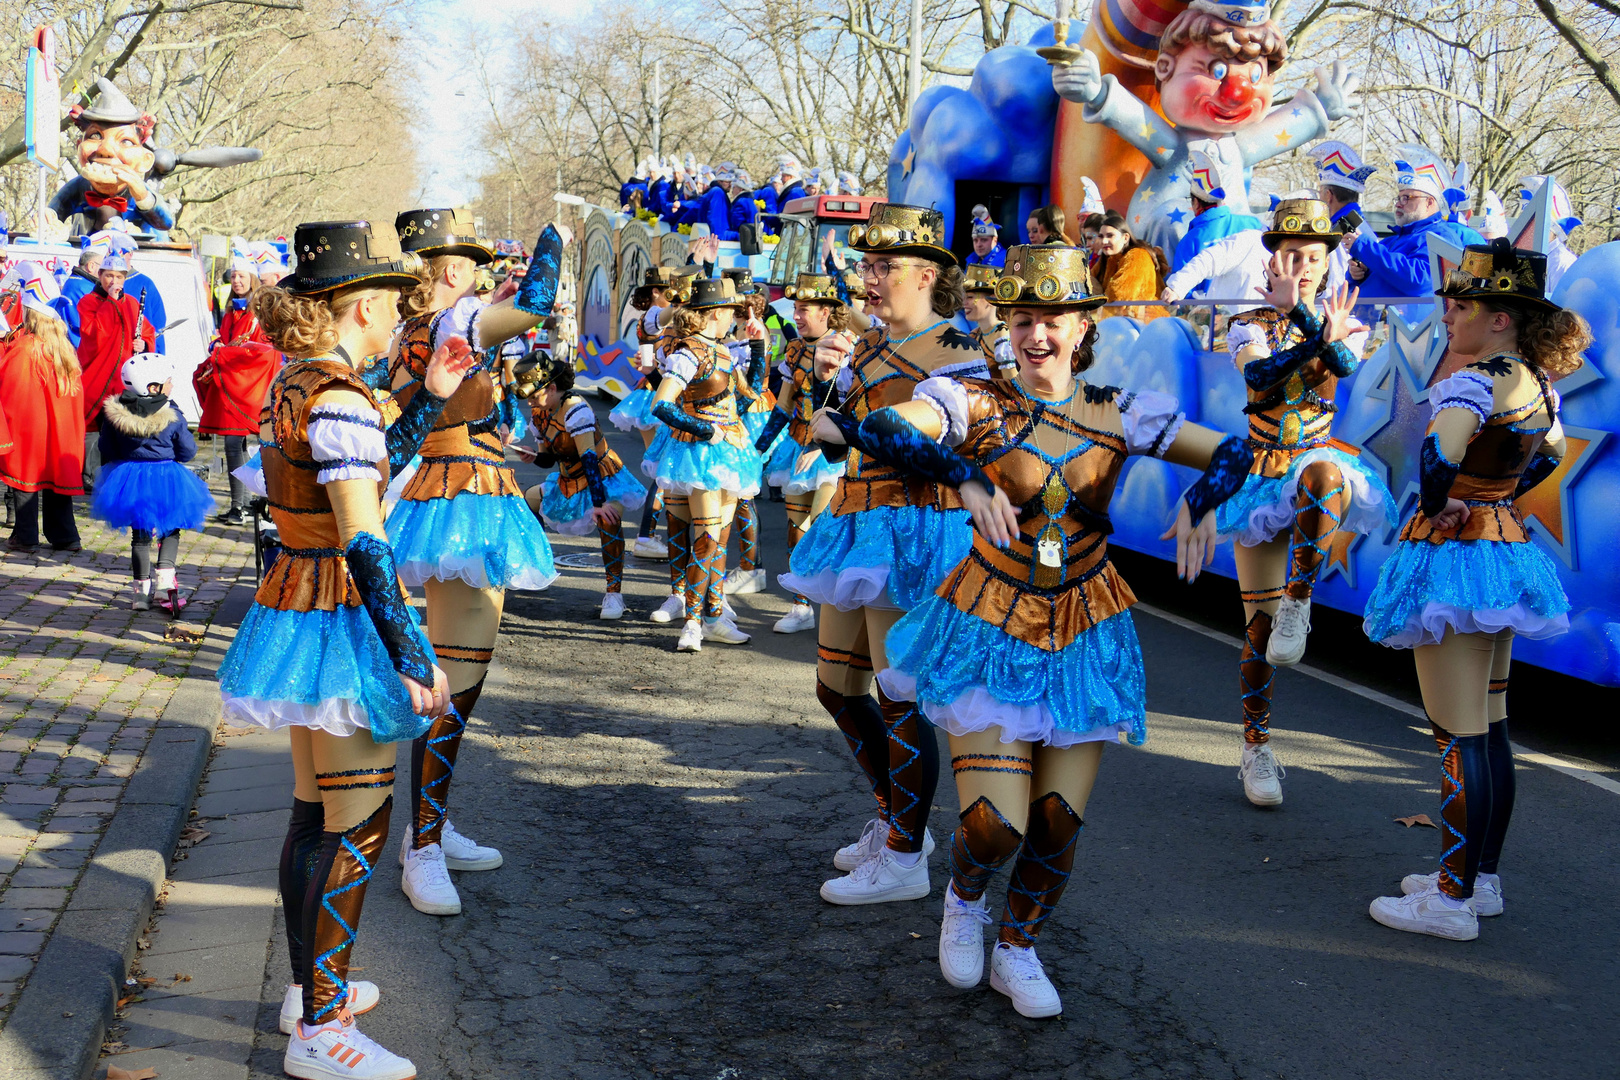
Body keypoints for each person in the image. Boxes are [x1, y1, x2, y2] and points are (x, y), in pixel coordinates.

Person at [818, 242, 1252, 1018]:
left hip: (1087, 628)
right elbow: (882, 424)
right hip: (989, 622)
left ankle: (1017, 951)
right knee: (993, 826)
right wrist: (964, 473)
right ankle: (962, 895)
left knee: (1056, 820)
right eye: (1022, 319)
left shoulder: (1121, 409)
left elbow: (1234, 450)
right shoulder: (970, 398)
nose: (1035, 334)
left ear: (1083, 327)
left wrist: (1202, 501)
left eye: (1052, 318)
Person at [215, 218, 468, 1080]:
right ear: (358, 305)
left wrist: (426, 397)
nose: (402, 318)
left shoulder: (300, 383)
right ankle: (322, 1028)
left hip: (296, 603)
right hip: (342, 610)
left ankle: (306, 994)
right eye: (395, 304)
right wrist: (411, 651)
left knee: (311, 808)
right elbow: (362, 536)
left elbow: (341, 477)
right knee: (358, 821)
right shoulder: (341, 396)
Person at [1363, 240, 1587, 941]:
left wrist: (1444, 503)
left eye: (1463, 305)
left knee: (1458, 735)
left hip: (1456, 562)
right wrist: (1498, 497)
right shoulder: (1533, 382)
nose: (1450, 314)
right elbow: (1549, 453)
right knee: (1488, 731)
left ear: (1501, 319)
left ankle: (1452, 901)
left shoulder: (1482, 377)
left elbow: (1438, 454)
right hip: (1502, 556)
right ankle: (1477, 880)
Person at [780, 202, 988, 905]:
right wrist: (820, 395)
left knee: (900, 698)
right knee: (836, 688)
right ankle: (898, 819)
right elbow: (821, 433)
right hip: (857, 520)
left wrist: (849, 425)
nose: (870, 279)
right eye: (866, 265)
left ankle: (904, 856)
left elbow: (960, 443)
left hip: (917, 529)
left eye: (884, 266)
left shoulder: (959, 349)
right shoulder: (863, 346)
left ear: (928, 274)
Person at [385, 209, 562, 918]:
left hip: (463, 488)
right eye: (449, 257)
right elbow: (541, 302)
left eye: (467, 258)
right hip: (457, 494)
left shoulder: (423, 325)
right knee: (453, 683)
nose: (464, 269)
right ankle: (422, 843)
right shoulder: (454, 321)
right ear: (432, 268)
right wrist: (553, 240)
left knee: (461, 678)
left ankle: (431, 824)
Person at [1214, 198, 1394, 806]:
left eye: (1311, 256)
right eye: (1289, 253)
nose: (1299, 264)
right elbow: (1261, 381)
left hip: (1314, 458)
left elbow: (1341, 362)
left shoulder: (1345, 318)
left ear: (1325, 263)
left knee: (1325, 473)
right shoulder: (1248, 322)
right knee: (1256, 632)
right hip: (1262, 470)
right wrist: (1299, 322)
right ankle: (1256, 748)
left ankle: (1301, 597)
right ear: (1272, 259)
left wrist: (1317, 323)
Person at [646, 276, 764, 651]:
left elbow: (750, 396)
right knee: (706, 538)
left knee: (719, 542)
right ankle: (693, 622)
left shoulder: (723, 348)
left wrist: (760, 346)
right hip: (700, 454)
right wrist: (706, 431)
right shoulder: (689, 352)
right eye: (732, 310)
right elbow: (660, 405)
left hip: (732, 451)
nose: (735, 316)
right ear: (716, 312)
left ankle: (712, 616)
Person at [752, 273, 852, 634]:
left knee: (821, 526)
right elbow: (782, 407)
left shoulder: (844, 346)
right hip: (797, 446)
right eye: (795, 308)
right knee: (796, 531)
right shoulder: (794, 350)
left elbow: (847, 405)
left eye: (804, 308)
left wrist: (819, 444)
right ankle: (801, 608)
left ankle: (840, 610)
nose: (796, 314)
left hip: (832, 452)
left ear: (827, 310)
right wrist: (759, 448)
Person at [518, 356, 647, 619]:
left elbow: (588, 458)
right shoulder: (540, 413)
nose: (529, 401)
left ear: (552, 388)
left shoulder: (576, 410)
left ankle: (614, 594)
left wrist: (599, 505)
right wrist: (532, 455)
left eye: (534, 395)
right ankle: (536, 568)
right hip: (569, 481)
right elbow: (549, 459)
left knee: (609, 520)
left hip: (603, 479)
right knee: (525, 502)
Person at [90, 353, 213, 614]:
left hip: (129, 479)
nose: (171, 386)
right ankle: (166, 580)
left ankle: (140, 594)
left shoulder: (115, 415)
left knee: (140, 537)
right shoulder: (173, 415)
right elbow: (188, 452)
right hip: (167, 479)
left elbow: (106, 448)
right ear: (153, 387)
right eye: (168, 382)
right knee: (170, 528)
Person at [611, 265, 697, 564]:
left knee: (665, 468)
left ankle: (652, 534)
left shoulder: (671, 319)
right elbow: (650, 362)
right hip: (655, 394)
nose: (676, 297)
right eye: (668, 290)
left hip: (660, 390)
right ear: (657, 292)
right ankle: (646, 536)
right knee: (662, 469)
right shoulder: (652, 319)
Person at [0, 264, 84, 554]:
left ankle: (25, 535)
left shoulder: (26, 348)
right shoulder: (64, 348)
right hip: (60, 429)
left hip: (30, 428)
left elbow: (11, 393)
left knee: (27, 477)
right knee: (55, 477)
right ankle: (65, 536)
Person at [197, 254, 279, 525]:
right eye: (233, 276)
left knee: (236, 443)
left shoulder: (259, 312)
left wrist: (224, 354)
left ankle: (242, 506)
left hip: (249, 386)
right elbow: (228, 342)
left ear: (252, 279)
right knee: (235, 444)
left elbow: (263, 352)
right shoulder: (232, 310)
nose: (237, 280)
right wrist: (218, 347)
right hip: (231, 382)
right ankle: (240, 505)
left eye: (242, 276)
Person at [1346, 144, 1483, 303]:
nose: (1399, 203)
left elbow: (1420, 281)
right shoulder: (1390, 242)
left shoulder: (1442, 236)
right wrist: (1357, 272)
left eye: (1407, 198)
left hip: (1407, 327)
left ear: (1430, 202)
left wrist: (1366, 248)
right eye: (1399, 197)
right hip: (1372, 324)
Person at [76, 251, 156, 494]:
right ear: (99, 276)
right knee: (92, 426)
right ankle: (88, 477)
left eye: (119, 277)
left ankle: (115, 481)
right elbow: (94, 334)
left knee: (120, 431)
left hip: (123, 380)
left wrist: (144, 344)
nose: (114, 281)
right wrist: (110, 302)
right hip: (97, 374)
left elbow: (148, 332)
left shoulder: (132, 303)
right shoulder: (88, 302)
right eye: (109, 275)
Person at [722, 276, 774, 597]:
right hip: (739, 414)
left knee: (743, 494)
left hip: (751, 415)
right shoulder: (734, 333)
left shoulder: (755, 333)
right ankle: (746, 566)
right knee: (735, 494)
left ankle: (751, 569)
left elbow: (753, 382)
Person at [1169, 149, 1262, 278]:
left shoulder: (1189, 242)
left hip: (1211, 298)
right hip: (1258, 298)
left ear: (1195, 202)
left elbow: (1182, 292)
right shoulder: (1254, 224)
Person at [1308, 140, 1376, 290]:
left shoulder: (1344, 230)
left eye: (1320, 192)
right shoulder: (1358, 225)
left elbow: (1334, 283)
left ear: (1328, 195)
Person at [1093, 210, 1169, 321]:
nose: (1104, 241)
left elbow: (1119, 295)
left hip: (1148, 323)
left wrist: (1093, 311)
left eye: (1110, 236)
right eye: (1101, 236)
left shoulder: (1137, 255)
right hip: (1123, 322)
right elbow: (1089, 282)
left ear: (1125, 238)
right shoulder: (1109, 258)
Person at [962, 265, 1015, 378]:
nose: (964, 303)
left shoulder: (1003, 334)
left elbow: (1012, 386)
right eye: (964, 297)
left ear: (991, 299)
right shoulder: (974, 335)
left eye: (970, 297)